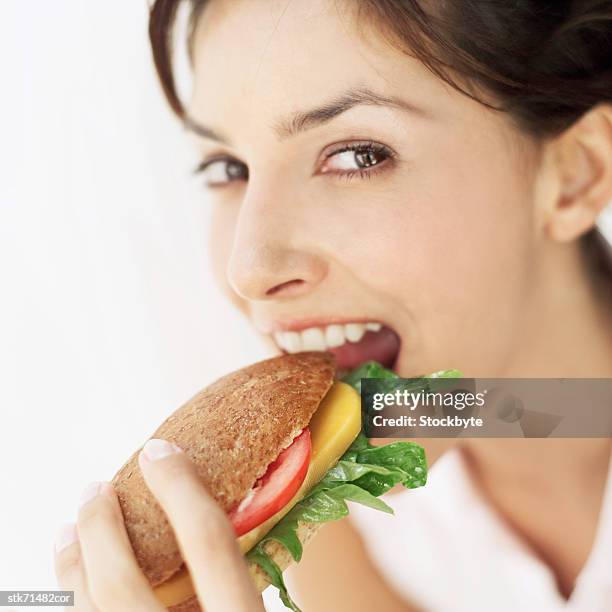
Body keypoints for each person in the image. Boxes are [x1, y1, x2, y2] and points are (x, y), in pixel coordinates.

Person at [54, 1, 612, 610]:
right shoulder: (331, 528)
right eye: (228, 167)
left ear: (577, 174)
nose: (250, 269)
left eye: (357, 155)